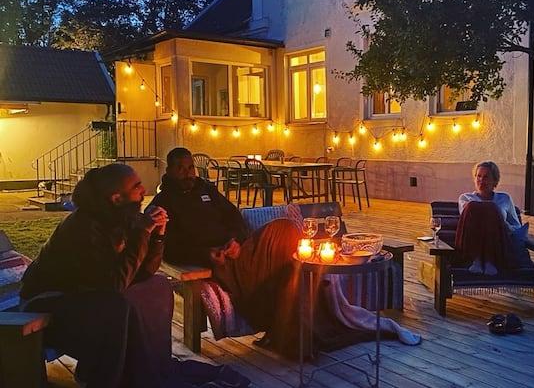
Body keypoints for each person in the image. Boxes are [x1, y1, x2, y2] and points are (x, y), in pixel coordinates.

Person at [151, 147, 420, 359]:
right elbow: (170, 246)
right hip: (219, 262)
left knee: (285, 229)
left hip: (239, 249)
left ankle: (310, 317)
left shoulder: (206, 189)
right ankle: (296, 328)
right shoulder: (164, 202)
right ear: (170, 170)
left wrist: (236, 240)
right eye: (181, 169)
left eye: (190, 167)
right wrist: (208, 253)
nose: (188, 173)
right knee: (286, 240)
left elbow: (234, 216)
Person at [19, 163, 172, 388]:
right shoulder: (83, 228)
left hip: (84, 297)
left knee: (156, 286)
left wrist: (157, 235)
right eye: (136, 186)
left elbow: (142, 273)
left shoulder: (119, 217)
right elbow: (114, 285)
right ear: (116, 198)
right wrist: (142, 233)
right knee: (116, 306)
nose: (143, 190)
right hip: (47, 303)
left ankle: (142, 370)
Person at [456, 161, 524, 274]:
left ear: (494, 180)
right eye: (478, 176)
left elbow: (517, 226)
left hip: (498, 247)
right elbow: (466, 221)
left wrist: (506, 225)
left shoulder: (504, 198)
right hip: (470, 245)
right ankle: (477, 259)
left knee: (491, 207)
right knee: (473, 206)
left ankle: (489, 261)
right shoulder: (465, 198)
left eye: (486, 177)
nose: (481, 180)